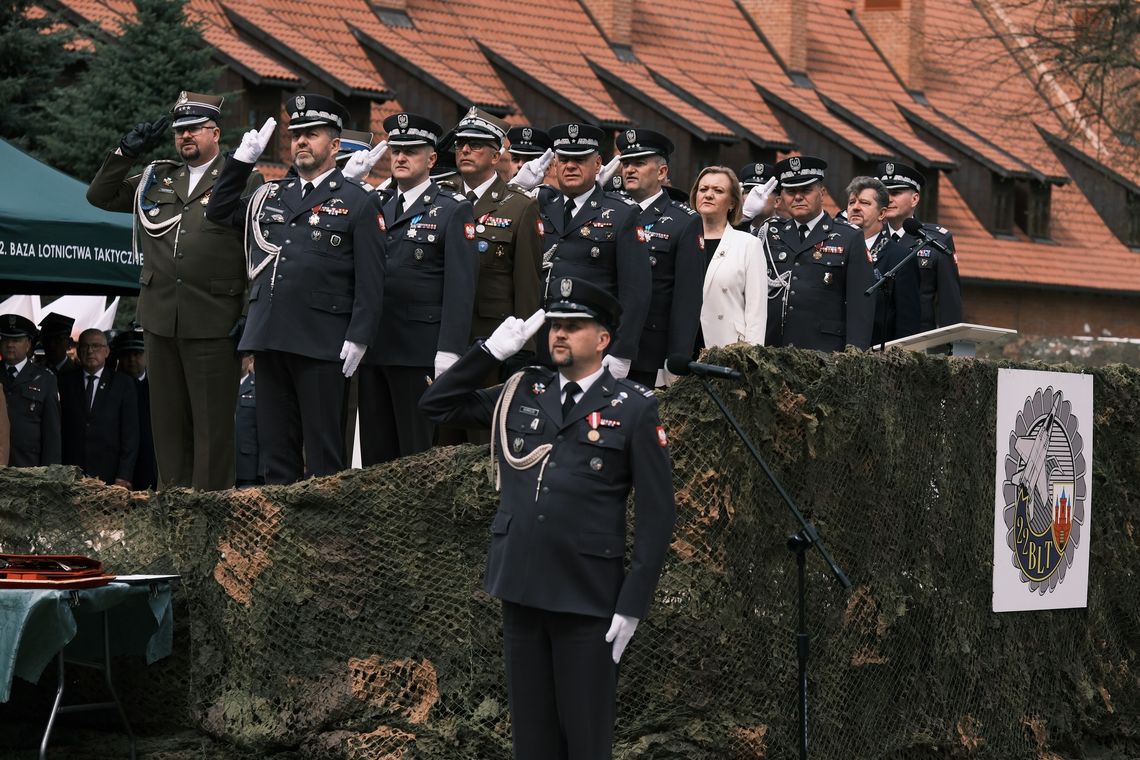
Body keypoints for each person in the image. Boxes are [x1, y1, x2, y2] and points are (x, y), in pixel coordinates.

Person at [419, 277, 676, 760]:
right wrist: (489, 351)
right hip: (522, 586)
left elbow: (659, 515)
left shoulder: (635, 409)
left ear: (603, 340)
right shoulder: (522, 390)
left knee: (584, 738)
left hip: (587, 596)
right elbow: (437, 405)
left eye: (574, 326)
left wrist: (632, 603)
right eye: (555, 325)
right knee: (531, 741)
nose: (559, 334)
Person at [206, 93, 386, 484]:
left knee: (323, 453)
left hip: (323, 342)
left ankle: (323, 539)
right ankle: (279, 536)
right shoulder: (273, 194)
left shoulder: (357, 201)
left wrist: (359, 336)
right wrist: (240, 162)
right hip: (271, 337)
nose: (301, 142)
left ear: (335, 146)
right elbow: (218, 211)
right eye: (296, 135)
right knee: (275, 450)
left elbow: (371, 281)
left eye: (312, 135)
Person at [87, 91, 262, 491]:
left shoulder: (242, 177)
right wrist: (124, 152)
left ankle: (211, 516)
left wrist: (248, 311)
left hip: (215, 320)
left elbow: (256, 250)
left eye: (194, 129)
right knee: (167, 425)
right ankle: (174, 513)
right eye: (180, 130)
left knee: (212, 428)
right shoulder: (158, 177)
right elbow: (99, 196)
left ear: (215, 133)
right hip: (162, 317)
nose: (185, 137)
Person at [354, 111, 478, 465]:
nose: (401, 158)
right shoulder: (375, 205)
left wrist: (450, 350)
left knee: (416, 457)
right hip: (375, 347)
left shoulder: (452, 209)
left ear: (432, 158)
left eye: (411, 151)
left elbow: (460, 287)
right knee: (376, 456)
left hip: (419, 351)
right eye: (396, 151)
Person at [436, 108, 543, 446]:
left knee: (482, 442)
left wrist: (522, 351)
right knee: (438, 442)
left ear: (496, 156)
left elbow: (527, 285)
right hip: (439, 337)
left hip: (488, 344)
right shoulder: (440, 198)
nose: (465, 150)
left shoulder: (519, 207)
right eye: (461, 144)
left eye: (476, 145)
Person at [534, 122, 651, 377]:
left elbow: (636, 292)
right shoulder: (540, 206)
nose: (571, 166)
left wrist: (621, 351)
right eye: (564, 159)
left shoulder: (622, 214)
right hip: (541, 342)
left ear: (597, 164)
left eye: (580, 160)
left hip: (593, 345)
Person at [616, 128, 703, 385]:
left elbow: (687, 297)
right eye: (626, 164)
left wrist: (676, 357)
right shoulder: (609, 212)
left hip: (648, 350)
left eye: (639, 163)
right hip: (603, 343)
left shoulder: (683, 222)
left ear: (662, 172)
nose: (629, 170)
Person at [765, 156, 876, 351]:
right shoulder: (771, 234)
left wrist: (855, 356)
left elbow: (861, 307)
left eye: (806, 190)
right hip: (773, 349)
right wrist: (747, 217)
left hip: (824, 352)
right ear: (781, 197)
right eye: (791, 191)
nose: (798, 197)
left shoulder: (848, 237)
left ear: (822, 193)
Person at [877, 161, 963, 332]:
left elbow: (949, 300)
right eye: (884, 193)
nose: (889, 199)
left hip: (917, 339)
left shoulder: (935, 239)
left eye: (896, 192)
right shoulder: (869, 236)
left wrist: (950, 346)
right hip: (877, 337)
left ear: (915, 198)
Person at [690, 166, 767, 348]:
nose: (708, 195)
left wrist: (751, 359)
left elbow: (756, 312)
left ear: (732, 202)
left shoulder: (748, 245)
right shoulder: (682, 239)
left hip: (727, 347)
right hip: (682, 349)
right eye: (703, 189)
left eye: (718, 191)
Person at [844, 176, 921, 346]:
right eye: (851, 202)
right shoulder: (835, 249)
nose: (855, 208)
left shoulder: (900, 257)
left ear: (881, 213)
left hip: (878, 356)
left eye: (864, 203)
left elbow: (907, 322)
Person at [59, 329, 139, 487]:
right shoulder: (65, 381)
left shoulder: (123, 384)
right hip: (71, 473)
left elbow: (130, 434)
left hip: (110, 474)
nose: (90, 351)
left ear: (107, 351)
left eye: (96, 346)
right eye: (85, 346)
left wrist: (124, 475)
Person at [1, 314, 61, 467]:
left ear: (28, 344)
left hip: (28, 467)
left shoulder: (45, 379)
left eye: (16, 340)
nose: (10, 345)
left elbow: (52, 433)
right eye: (6, 339)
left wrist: (50, 473)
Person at [112, 326, 157, 490]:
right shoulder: (112, 387)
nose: (131, 359)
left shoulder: (156, 388)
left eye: (137, 354)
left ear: (146, 356)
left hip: (149, 461)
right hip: (118, 464)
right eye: (126, 355)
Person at [235, 353, 262, 487]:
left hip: (248, 468)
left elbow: (264, 431)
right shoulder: (219, 386)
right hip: (222, 466)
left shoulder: (259, 386)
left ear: (250, 359)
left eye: (242, 356)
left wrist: (262, 471)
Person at [736, 162, 781, 238]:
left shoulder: (789, 232)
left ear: (777, 201)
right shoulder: (732, 231)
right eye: (748, 192)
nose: (754, 197)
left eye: (763, 192)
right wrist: (745, 216)